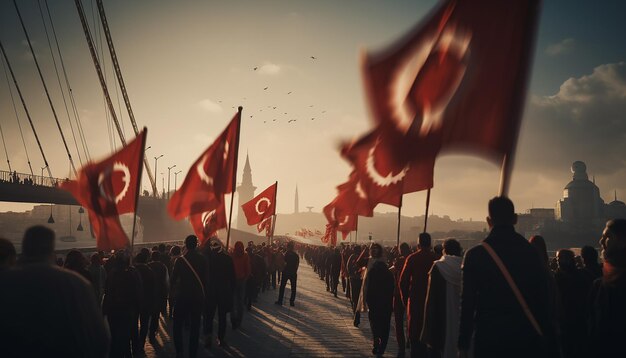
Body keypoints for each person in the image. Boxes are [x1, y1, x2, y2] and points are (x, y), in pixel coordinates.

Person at [458, 197, 556, 358]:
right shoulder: (531, 253)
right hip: (525, 338)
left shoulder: (475, 255)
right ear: (515, 219)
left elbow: (467, 305)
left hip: (489, 338)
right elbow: (542, 300)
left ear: (489, 221)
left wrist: (463, 345)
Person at [0, 226, 109, 357]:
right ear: (51, 250)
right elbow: (98, 337)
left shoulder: (5, 281)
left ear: (24, 248)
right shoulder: (77, 284)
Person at [588, 219, 626, 356]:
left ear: (623, 242)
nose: (601, 242)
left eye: (607, 237)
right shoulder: (599, 284)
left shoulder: (603, 284)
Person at [421, 239, 463, 358]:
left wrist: (427, 330)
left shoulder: (439, 267)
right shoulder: (465, 266)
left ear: (444, 251)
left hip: (441, 316)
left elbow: (431, 299)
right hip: (461, 316)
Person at [170, 235, 209, 358]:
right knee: (195, 327)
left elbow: (172, 280)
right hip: (197, 297)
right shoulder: (203, 260)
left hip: (182, 296)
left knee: (177, 325)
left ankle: (179, 351)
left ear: (185, 245)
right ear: (196, 244)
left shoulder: (180, 261)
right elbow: (206, 280)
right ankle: (193, 353)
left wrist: (172, 292)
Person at [400, 232, 437, 358]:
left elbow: (403, 282)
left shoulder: (412, 258)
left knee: (415, 338)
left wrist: (405, 300)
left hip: (415, 302)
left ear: (418, 243)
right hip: (433, 304)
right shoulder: (436, 259)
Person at [103, 251, 142, 357]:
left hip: (113, 310)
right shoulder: (133, 272)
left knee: (115, 336)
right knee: (128, 335)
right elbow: (137, 291)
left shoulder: (111, 273)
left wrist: (104, 310)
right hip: (128, 310)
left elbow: (107, 292)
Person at [553, 249, 588, 358]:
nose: (557, 261)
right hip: (579, 319)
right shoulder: (582, 275)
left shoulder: (557, 278)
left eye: (559, 258)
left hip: (565, 319)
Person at [363, 243, 395, 357]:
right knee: (385, 327)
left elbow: (367, 287)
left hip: (374, 304)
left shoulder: (372, 271)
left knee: (375, 325)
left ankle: (376, 342)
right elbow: (392, 289)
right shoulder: (389, 273)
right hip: (386, 305)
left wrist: (366, 302)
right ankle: (381, 348)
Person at [203, 238, 235, 348]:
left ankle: (208, 337)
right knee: (222, 317)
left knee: (209, 316)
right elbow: (232, 277)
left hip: (210, 290)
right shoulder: (227, 259)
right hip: (224, 291)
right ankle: (221, 338)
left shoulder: (207, 259)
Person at [133, 249, 157, 355]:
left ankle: (134, 345)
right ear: (146, 259)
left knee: (133, 324)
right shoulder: (149, 270)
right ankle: (141, 344)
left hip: (134, 302)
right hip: (146, 302)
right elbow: (153, 288)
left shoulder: (132, 270)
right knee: (144, 324)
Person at [390, 243, 411, 357]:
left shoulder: (400, 261)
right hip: (411, 294)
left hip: (399, 294)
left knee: (398, 322)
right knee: (410, 320)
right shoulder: (412, 259)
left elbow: (390, 272)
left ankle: (401, 347)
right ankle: (409, 339)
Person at [148, 250, 169, 342]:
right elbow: (166, 281)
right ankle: (152, 332)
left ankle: (146, 332)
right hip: (159, 293)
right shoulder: (163, 266)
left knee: (147, 315)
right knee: (155, 315)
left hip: (149, 293)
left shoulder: (148, 266)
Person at [230, 241, 251, 329]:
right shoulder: (245, 256)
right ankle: (239, 320)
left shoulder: (231, 255)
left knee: (233, 301)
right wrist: (245, 279)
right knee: (240, 301)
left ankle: (233, 319)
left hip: (233, 281)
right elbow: (248, 269)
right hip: (242, 280)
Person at [275, 241, 300, 306]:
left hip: (286, 272)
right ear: (293, 247)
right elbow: (297, 265)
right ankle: (292, 302)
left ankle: (280, 301)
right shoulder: (296, 255)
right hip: (293, 273)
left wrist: (282, 269)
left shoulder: (286, 254)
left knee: (282, 287)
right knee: (293, 288)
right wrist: (294, 271)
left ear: (288, 247)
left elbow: (283, 263)